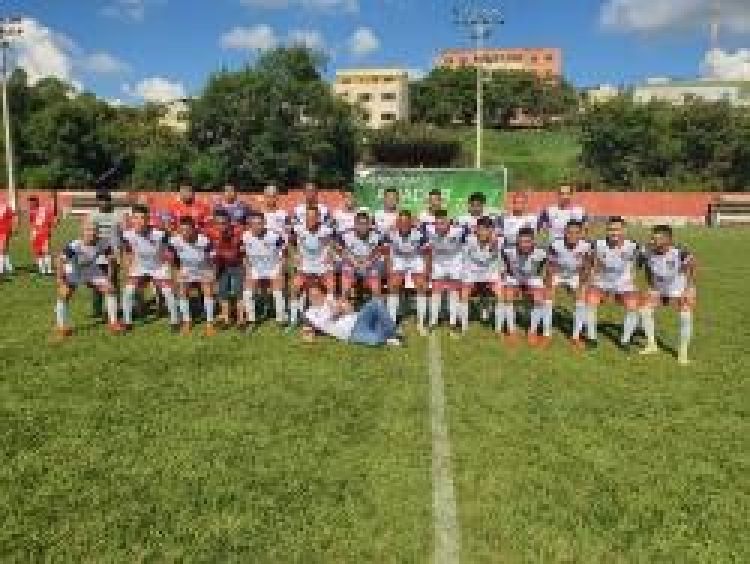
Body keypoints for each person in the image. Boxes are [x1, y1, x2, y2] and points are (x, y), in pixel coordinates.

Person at [54, 221, 124, 339]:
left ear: (97, 232)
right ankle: (62, 327)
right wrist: (60, 279)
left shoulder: (103, 242)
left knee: (110, 289)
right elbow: (60, 260)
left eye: (94, 230)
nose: (91, 233)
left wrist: (110, 277)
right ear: (82, 232)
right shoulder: (75, 245)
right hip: (74, 270)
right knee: (64, 294)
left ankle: (113, 323)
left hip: (91, 269)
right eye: (88, 230)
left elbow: (111, 259)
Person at [638, 225, 697, 365]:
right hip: (660, 289)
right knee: (644, 310)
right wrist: (651, 286)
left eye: (658, 238)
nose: (653, 241)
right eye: (653, 237)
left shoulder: (679, 252)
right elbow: (646, 266)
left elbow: (693, 266)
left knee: (685, 317)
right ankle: (652, 345)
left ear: (668, 240)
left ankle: (683, 353)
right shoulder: (647, 251)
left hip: (680, 289)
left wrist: (688, 289)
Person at [585, 216, 641, 350]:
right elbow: (589, 259)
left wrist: (633, 274)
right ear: (606, 231)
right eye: (610, 230)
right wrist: (591, 274)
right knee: (589, 303)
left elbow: (641, 260)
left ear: (624, 230)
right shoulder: (598, 244)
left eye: (617, 229)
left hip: (623, 282)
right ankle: (591, 338)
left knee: (633, 307)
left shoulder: (633, 245)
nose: (614, 233)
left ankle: (625, 341)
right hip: (602, 281)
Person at [121, 205, 180, 331]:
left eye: (142, 218)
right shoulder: (127, 234)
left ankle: (175, 322)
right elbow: (127, 252)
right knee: (128, 291)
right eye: (136, 218)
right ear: (132, 219)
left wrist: (171, 267)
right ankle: (127, 322)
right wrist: (128, 268)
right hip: (140, 266)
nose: (139, 221)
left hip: (159, 267)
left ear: (148, 219)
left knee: (168, 292)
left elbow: (171, 251)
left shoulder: (159, 234)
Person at [302, 284, 402, 347]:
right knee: (375, 341)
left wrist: (340, 307)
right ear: (309, 298)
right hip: (351, 333)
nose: (315, 298)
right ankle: (386, 334)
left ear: (322, 294)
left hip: (359, 319)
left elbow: (351, 309)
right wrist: (309, 337)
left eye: (317, 295)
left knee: (376, 302)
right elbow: (308, 331)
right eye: (312, 296)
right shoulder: (309, 313)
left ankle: (390, 332)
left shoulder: (330, 300)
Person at [546, 220, 592, 349]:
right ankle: (546, 334)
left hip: (574, 275)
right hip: (558, 273)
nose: (572, 236)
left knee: (581, 300)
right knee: (547, 299)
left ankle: (575, 337)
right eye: (569, 232)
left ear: (581, 234)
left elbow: (587, 266)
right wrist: (549, 283)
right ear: (564, 232)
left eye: (576, 233)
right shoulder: (555, 245)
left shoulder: (586, 246)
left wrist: (582, 284)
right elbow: (550, 266)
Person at [169, 216, 217, 336]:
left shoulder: (204, 240)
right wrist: (176, 272)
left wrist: (212, 272)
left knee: (208, 292)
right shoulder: (174, 240)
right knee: (182, 291)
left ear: (194, 229)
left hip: (203, 268)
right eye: (182, 230)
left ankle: (209, 324)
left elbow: (212, 257)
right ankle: (187, 322)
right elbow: (172, 258)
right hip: (186, 269)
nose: (185, 233)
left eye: (187, 230)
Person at [288, 206, 336, 329]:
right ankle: (293, 320)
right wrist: (295, 255)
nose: (311, 219)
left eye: (314, 217)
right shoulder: (298, 229)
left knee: (331, 286)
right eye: (308, 217)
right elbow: (290, 242)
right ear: (305, 218)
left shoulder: (326, 230)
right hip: (305, 266)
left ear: (319, 218)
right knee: (294, 288)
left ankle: (330, 317)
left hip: (322, 267)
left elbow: (334, 241)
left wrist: (331, 252)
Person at [500, 226, 549, 345]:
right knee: (507, 296)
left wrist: (529, 286)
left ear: (533, 241)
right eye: (521, 241)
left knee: (539, 298)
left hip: (532, 277)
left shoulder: (541, 253)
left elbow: (541, 268)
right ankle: (511, 331)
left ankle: (532, 332)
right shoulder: (508, 251)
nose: (524, 245)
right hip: (514, 277)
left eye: (528, 241)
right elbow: (505, 264)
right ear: (517, 241)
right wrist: (513, 282)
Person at [385, 210, 429, 334]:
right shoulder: (391, 233)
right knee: (394, 285)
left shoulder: (419, 234)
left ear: (411, 222)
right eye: (401, 221)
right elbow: (387, 252)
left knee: (421, 286)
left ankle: (421, 323)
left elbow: (427, 252)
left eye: (406, 221)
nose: (403, 224)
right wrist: (389, 269)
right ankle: (392, 322)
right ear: (397, 222)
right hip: (399, 258)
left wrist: (426, 270)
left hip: (415, 258)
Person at [241, 212, 288, 329]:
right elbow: (244, 255)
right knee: (247, 292)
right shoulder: (245, 236)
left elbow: (284, 252)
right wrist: (248, 271)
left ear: (264, 223)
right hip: (255, 267)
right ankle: (252, 320)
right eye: (253, 224)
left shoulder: (274, 236)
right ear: (249, 225)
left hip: (273, 266)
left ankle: (280, 319)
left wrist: (280, 270)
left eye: (259, 223)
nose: (257, 226)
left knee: (277, 291)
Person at [424, 210, 466, 335]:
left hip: (455, 262)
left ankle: (453, 323)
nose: (440, 226)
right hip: (439, 263)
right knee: (436, 291)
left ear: (448, 223)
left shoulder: (459, 230)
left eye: (443, 223)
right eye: (437, 223)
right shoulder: (428, 229)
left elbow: (473, 230)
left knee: (453, 292)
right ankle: (433, 321)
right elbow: (417, 225)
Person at [459, 216, 503, 334]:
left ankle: (498, 327)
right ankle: (463, 326)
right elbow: (463, 258)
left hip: (490, 273)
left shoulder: (498, 241)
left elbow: (495, 250)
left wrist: (494, 241)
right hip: (472, 272)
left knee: (501, 295)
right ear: (476, 229)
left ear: (491, 230)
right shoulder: (469, 240)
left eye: (487, 229)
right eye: (481, 229)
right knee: (464, 293)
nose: (483, 232)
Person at [89, 193, 125, 319]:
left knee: (113, 280)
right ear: (98, 202)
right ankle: (97, 309)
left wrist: (120, 253)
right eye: (101, 200)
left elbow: (123, 233)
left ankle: (116, 307)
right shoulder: (93, 215)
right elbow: (89, 233)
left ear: (110, 201)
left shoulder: (117, 215)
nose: (103, 203)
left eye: (106, 200)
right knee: (97, 281)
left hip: (113, 253)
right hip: (97, 253)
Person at [336, 211, 386, 300]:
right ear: (355, 223)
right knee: (345, 282)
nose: (362, 226)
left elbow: (379, 251)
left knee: (375, 287)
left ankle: (377, 308)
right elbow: (341, 251)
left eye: (365, 223)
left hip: (370, 264)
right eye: (359, 223)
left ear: (370, 224)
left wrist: (368, 263)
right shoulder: (345, 235)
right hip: (351, 263)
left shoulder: (378, 235)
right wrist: (354, 262)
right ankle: (342, 306)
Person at [206, 209, 244, 327]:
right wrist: (213, 264)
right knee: (222, 292)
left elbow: (244, 248)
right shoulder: (210, 233)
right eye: (218, 223)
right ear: (214, 223)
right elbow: (208, 250)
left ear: (229, 222)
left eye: (224, 223)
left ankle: (240, 319)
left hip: (237, 265)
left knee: (239, 292)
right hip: (221, 265)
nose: (221, 226)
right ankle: (226, 318)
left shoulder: (238, 231)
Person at [28, 196, 57, 275]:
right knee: (38, 252)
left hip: (44, 232)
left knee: (46, 250)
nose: (31, 203)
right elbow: (32, 223)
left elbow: (53, 221)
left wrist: (54, 222)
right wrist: (32, 233)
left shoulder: (44, 210)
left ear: (37, 201)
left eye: (33, 201)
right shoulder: (31, 212)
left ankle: (49, 269)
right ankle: (42, 270)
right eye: (30, 201)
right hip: (36, 233)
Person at [0, 199, 17, 278]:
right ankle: (8, 267)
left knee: (2, 249)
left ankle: (1, 269)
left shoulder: (6, 207)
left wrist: (14, 227)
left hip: (4, 230)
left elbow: (14, 216)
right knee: (4, 249)